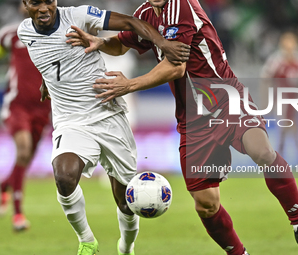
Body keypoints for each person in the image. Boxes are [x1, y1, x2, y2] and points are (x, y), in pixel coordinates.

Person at [66, 0, 298, 254]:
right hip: (193, 121)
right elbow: (122, 45)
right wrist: (100, 42)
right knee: (206, 205)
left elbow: (175, 68)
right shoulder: (146, 14)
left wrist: (129, 85)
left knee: (261, 151)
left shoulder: (181, 6)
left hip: (226, 99)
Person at [18, 0, 189, 254]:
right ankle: (87, 240)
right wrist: (47, 80)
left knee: (125, 201)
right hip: (71, 120)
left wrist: (162, 44)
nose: (44, 8)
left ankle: (126, 246)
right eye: (36, 3)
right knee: (64, 177)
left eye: (49, 1)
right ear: (25, 4)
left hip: (107, 113)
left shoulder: (79, 15)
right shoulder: (25, 31)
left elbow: (132, 22)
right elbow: (45, 54)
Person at [0, 2, 51, 231]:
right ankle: (18, 214)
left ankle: (6, 185)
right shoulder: (9, 34)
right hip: (17, 105)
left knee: (25, 159)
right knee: (24, 150)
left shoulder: (56, 35)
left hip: (43, 108)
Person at [261, 32, 298, 164]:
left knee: (293, 130)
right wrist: (267, 102)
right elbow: (266, 79)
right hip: (281, 101)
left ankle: (282, 160)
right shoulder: (276, 61)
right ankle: (294, 160)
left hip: (294, 103)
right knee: (287, 130)